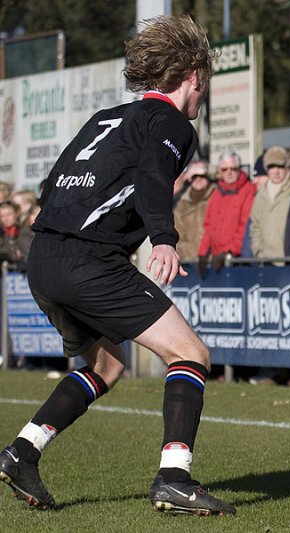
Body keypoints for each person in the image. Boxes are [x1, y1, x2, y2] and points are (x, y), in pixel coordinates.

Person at [0, 15, 235, 515]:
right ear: (194, 75)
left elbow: (51, 187)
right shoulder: (171, 122)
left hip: (43, 258)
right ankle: (174, 477)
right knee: (191, 353)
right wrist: (163, 239)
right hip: (90, 261)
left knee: (106, 366)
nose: (204, 97)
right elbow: (153, 177)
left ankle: (22, 451)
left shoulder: (107, 117)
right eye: (206, 85)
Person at [197, 151, 256, 275]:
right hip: (216, 260)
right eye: (225, 169)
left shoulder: (249, 190)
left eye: (233, 169)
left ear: (240, 169)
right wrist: (203, 253)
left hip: (236, 260)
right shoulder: (217, 192)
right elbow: (208, 226)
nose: (229, 172)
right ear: (220, 170)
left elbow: (245, 227)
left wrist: (228, 251)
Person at [249, 145, 290, 261]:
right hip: (266, 261)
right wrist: (259, 251)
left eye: (280, 166)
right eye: (271, 166)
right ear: (266, 169)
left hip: (289, 260)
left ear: (287, 168)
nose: (276, 171)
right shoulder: (261, 194)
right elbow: (255, 226)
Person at [173, 160, 213, 260]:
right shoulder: (181, 204)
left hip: (213, 260)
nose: (198, 179)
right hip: (189, 262)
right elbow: (177, 236)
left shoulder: (217, 197)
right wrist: (184, 254)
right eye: (195, 176)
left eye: (202, 175)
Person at [0, 200, 34, 264]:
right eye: (2, 216)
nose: (6, 218)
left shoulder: (25, 231)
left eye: (9, 214)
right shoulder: (2, 234)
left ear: (16, 214)